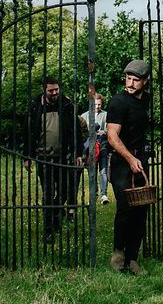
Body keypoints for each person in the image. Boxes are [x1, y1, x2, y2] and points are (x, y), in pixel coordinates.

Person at [106, 59, 153, 275]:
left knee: (141, 209)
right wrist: (129, 158)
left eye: (136, 80)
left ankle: (133, 259)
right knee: (125, 206)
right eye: (128, 78)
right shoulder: (118, 102)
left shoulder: (147, 101)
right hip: (121, 162)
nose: (131, 83)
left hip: (140, 160)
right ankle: (118, 253)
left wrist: (141, 156)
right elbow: (112, 136)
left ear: (146, 81)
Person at [25, 76, 84, 243]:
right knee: (48, 193)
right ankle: (48, 230)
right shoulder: (35, 107)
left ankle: (57, 215)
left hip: (64, 156)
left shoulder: (65, 105)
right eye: (51, 90)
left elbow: (76, 130)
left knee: (65, 190)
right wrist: (27, 156)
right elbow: (28, 132)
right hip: (44, 158)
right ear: (44, 90)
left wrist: (78, 153)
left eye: (56, 89)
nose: (55, 93)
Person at [79, 93, 110, 204]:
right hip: (89, 148)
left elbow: (111, 129)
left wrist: (104, 132)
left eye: (99, 104)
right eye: (95, 104)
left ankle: (104, 194)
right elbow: (81, 133)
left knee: (103, 170)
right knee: (92, 171)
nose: (97, 106)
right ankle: (94, 193)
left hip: (102, 146)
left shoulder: (106, 115)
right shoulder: (84, 116)